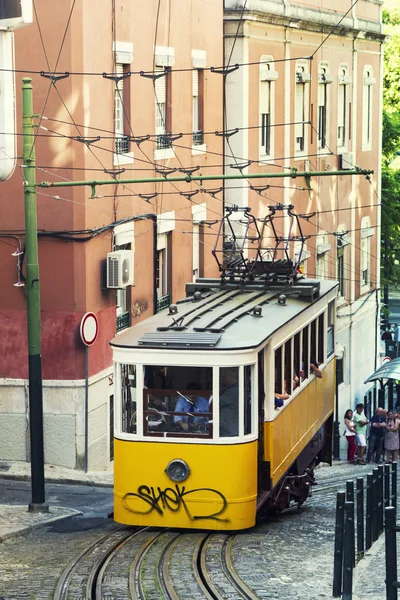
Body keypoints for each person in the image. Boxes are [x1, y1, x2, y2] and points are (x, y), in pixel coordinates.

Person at [219, 368, 239, 437]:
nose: (225, 379)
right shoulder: (231, 389)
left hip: (230, 427)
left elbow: (218, 401)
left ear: (231, 377)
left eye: (226, 376)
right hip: (229, 425)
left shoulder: (233, 391)